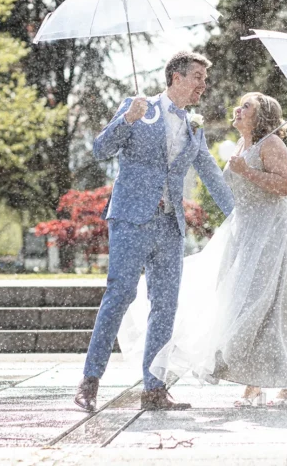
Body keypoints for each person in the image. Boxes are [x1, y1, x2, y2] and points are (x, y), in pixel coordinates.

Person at [118, 92, 287, 407]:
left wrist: (247, 172)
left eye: (247, 106)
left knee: (268, 305)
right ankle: (253, 381)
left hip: (272, 233)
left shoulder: (272, 144)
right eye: (241, 103)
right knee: (239, 303)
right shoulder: (242, 145)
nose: (238, 108)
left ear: (262, 116)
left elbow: (284, 186)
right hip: (244, 232)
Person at [74, 51, 235, 412]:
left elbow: (209, 171)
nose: (203, 85)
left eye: (204, 79)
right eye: (198, 77)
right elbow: (101, 149)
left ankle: (154, 388)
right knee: (119, 296)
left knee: (165, 307)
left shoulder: (194, 125)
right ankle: (89, 382)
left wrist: (238, 216)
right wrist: (126, 121)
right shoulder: (137, 107)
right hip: (131, 220)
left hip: (170, 226)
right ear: (176, 77)